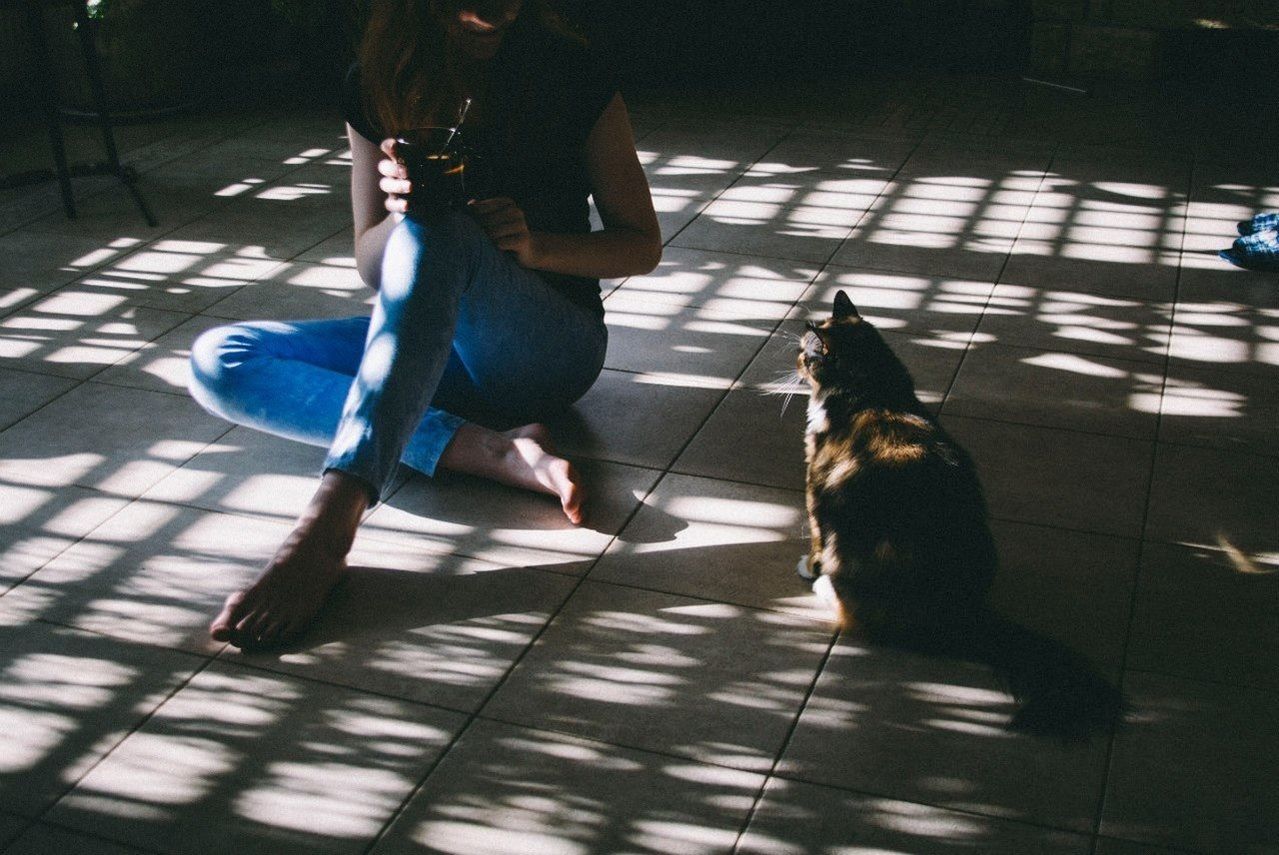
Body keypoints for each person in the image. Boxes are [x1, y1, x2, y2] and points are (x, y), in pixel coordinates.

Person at [187, 0, 660, 648]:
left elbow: (641, 244)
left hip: (549, 346)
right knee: (221, 358)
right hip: (441, 342)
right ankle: (491, 450)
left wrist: (534, 246)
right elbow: (370, 260)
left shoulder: (570, 69)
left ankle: (328, 525)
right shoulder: (378, 79)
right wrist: (399, 213)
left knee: (450, 233)